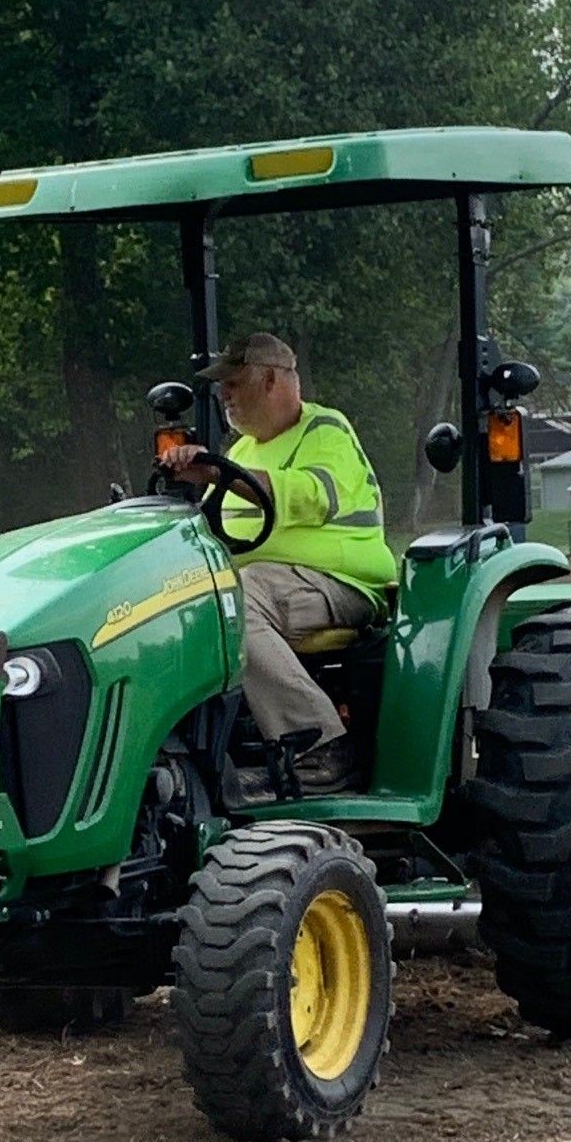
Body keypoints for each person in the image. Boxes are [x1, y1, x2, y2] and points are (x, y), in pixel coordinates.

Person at [166, 333, 395, 797]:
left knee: (235, 602)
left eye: (232, 383)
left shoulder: (324, 430)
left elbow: (311, 495)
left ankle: (321, 746)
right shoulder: (242, 452)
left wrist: (220, 475)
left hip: (341, 583)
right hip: (272, 586)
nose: (223, 395)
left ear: (270, 379)